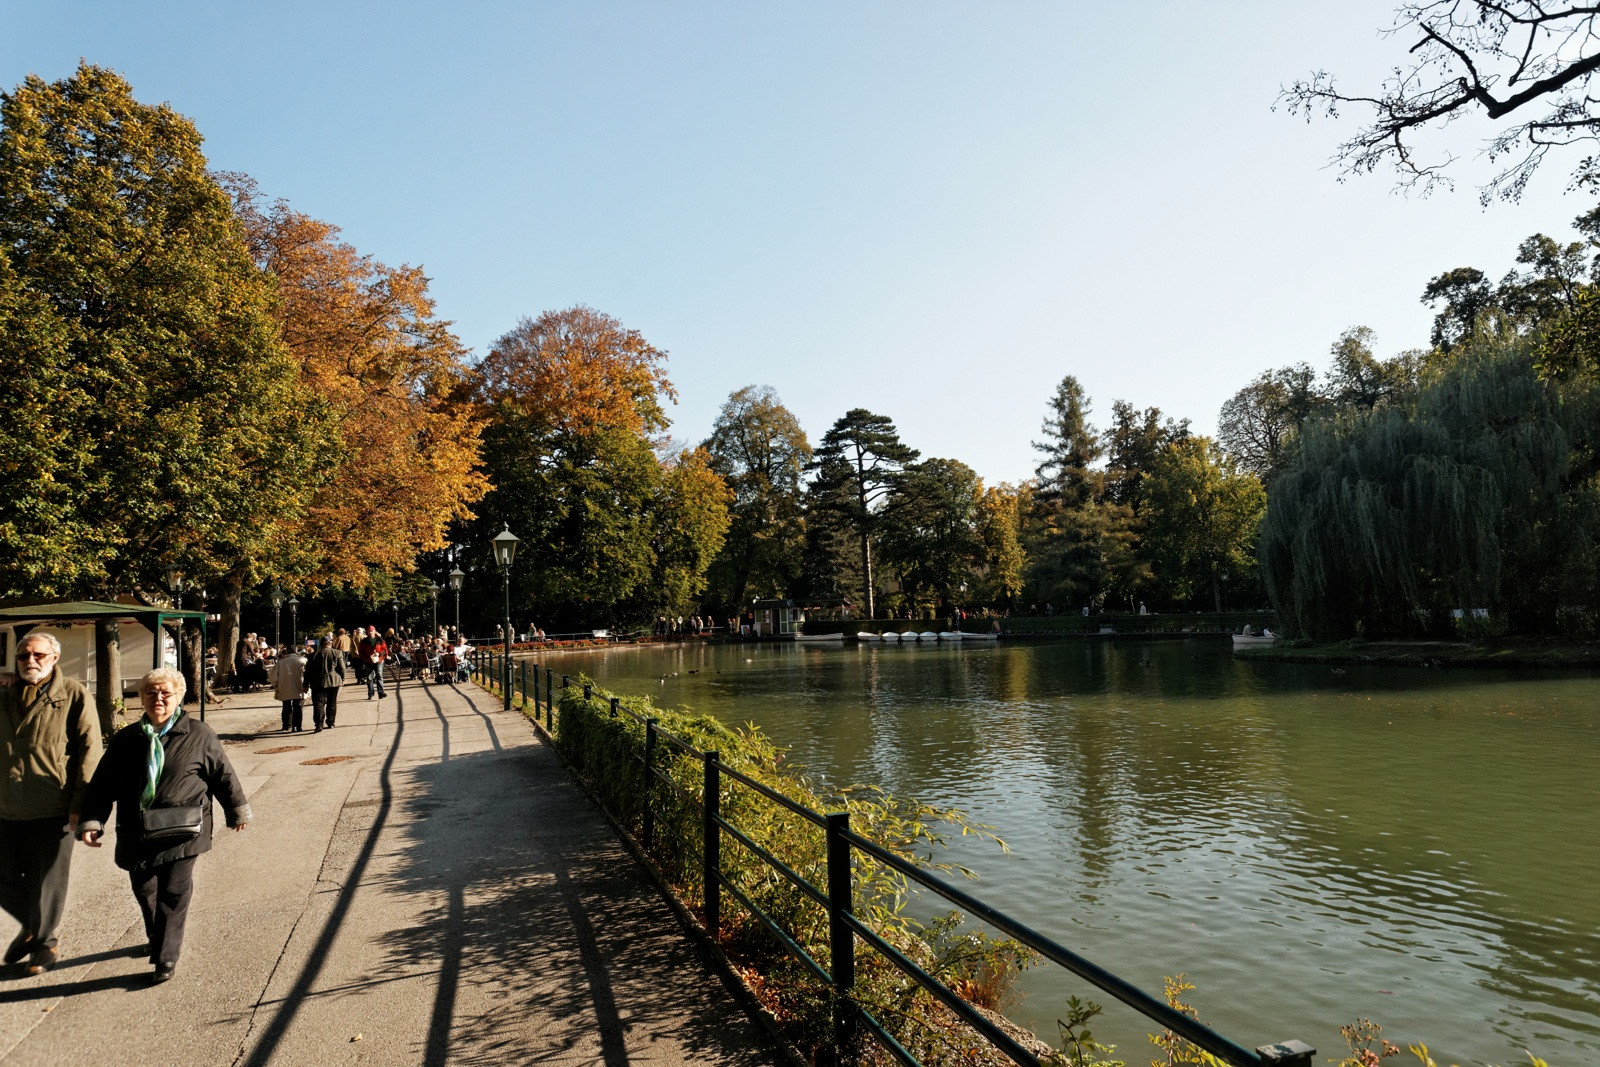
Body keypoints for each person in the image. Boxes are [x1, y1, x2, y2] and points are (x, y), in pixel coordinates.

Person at [78, 667, 249, 984]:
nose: (157, 699)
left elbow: (223, 775)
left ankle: (165, 957)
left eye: (165, 693)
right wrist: (93, 820)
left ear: (179, 697)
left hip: (183, 828)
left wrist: (236, 810)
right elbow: (102, 785)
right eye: (150, 693)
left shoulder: (199, 734)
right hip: (136, 830)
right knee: (145, 890)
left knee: (173, 891)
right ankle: (158, 936)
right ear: (141, 698)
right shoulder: (125, 740)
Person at [0, 632, 101, 975]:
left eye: (39, 655)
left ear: (55, 658)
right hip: (6, 803)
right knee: (5, 874)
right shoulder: (5, 693)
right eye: (24, 655)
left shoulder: (73, 694)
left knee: (48, 881)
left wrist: (81, 805)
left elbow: (91, 749)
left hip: (53, 802)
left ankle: (45, 942)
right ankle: (32, 926)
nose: (31, 661)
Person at [305, 636, 347, 731]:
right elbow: (342, 668)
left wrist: (306, 684)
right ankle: (331, 722)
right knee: (332, 702)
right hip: (333, 681)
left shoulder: (313, 655)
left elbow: (308, 671)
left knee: (318, 703)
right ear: (330, 643)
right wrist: (342, 678)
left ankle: (319, 724)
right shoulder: (336, 653)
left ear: (321, 644)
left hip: (317, 681)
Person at [270, 643, 309, 733]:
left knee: (286, 706)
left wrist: (276, 685)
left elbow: (274, 676)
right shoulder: (303, 660)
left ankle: (287, 725)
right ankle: (297, 726)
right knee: (298, 706)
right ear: (296, 651)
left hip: (285, 686)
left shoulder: (280, 662)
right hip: (299, 686)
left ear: (286, 652)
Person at [360, 626, 388, 700]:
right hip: (369, 661)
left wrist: (379, 654)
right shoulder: (364, 641)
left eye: (371, 631)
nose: (370, 632)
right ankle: (370, 693)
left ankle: (381, 693)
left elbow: (385, 650)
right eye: (369, 631)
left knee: (379, 676)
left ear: (374, 631)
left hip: (378, 661)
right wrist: (365, 658)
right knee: (369, 678)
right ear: (367, 632)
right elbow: (361, 652)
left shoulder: (380, 640)